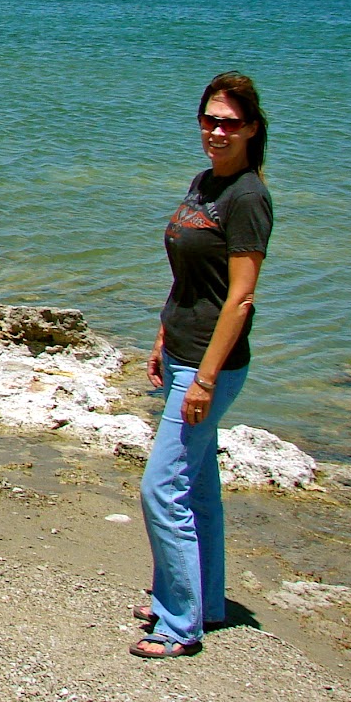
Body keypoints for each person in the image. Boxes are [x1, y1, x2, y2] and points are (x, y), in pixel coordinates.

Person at [132, 71, 272, 659]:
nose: (217, 130)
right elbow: (191, 276)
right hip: (184, 352)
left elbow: (240, 297)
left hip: (210, 367)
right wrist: (164, 336)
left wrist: (206, 379)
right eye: (210, 119)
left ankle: (179, 622)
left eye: (230, 122)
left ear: (252, 129)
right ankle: (202, 601)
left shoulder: (246, 197)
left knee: (161, 489)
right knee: (199, 488)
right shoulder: (204, 183)